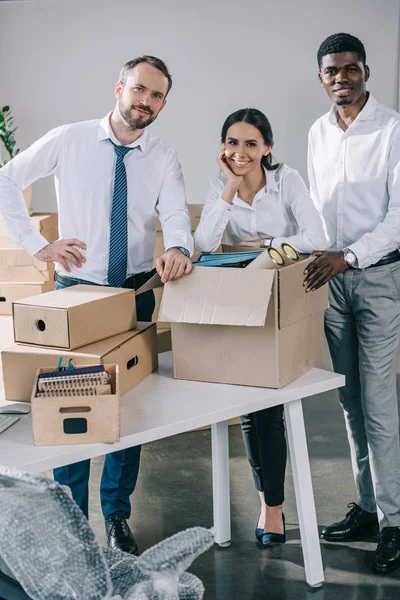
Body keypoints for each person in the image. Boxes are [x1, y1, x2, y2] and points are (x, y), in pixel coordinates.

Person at [0, 55, 194, 555]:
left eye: (156, 96)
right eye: (139, 90)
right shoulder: (70, 139)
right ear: (119, 87)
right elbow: (7, 177)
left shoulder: (162, 154)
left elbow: (174, 211)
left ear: (163, 103)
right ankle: (70, 519)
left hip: (132, 293)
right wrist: (36, 245)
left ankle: (117, 514)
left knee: (128, 408)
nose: (145, 102)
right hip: (76, 293)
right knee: (71, 407)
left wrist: (177, 246)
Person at [194, 108, 327, 544]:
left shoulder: (286, 180)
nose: (241, 152)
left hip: (282, 304)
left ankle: (273, 508)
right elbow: (204, 244)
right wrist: (230, 187)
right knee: (251, 413)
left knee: (269, 412)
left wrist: (265, 247)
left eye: (251, 143)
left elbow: (316, 237)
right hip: (240, 304)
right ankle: (268, 503)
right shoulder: (222, 185)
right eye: (232, 143)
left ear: (267, 147)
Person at [304, 33, 400, 573]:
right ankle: (367, 508)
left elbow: (398, 217)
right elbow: (317, 207)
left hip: (378, 279)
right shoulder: (319, 131)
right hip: (328, 281)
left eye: (349, 68)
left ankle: (396, 521)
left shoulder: (392, 130)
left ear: (365, 71)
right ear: (321, 78)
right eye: (330, 71)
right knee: (350, 402)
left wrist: (349, 257)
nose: (340, 77)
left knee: (380, 405)